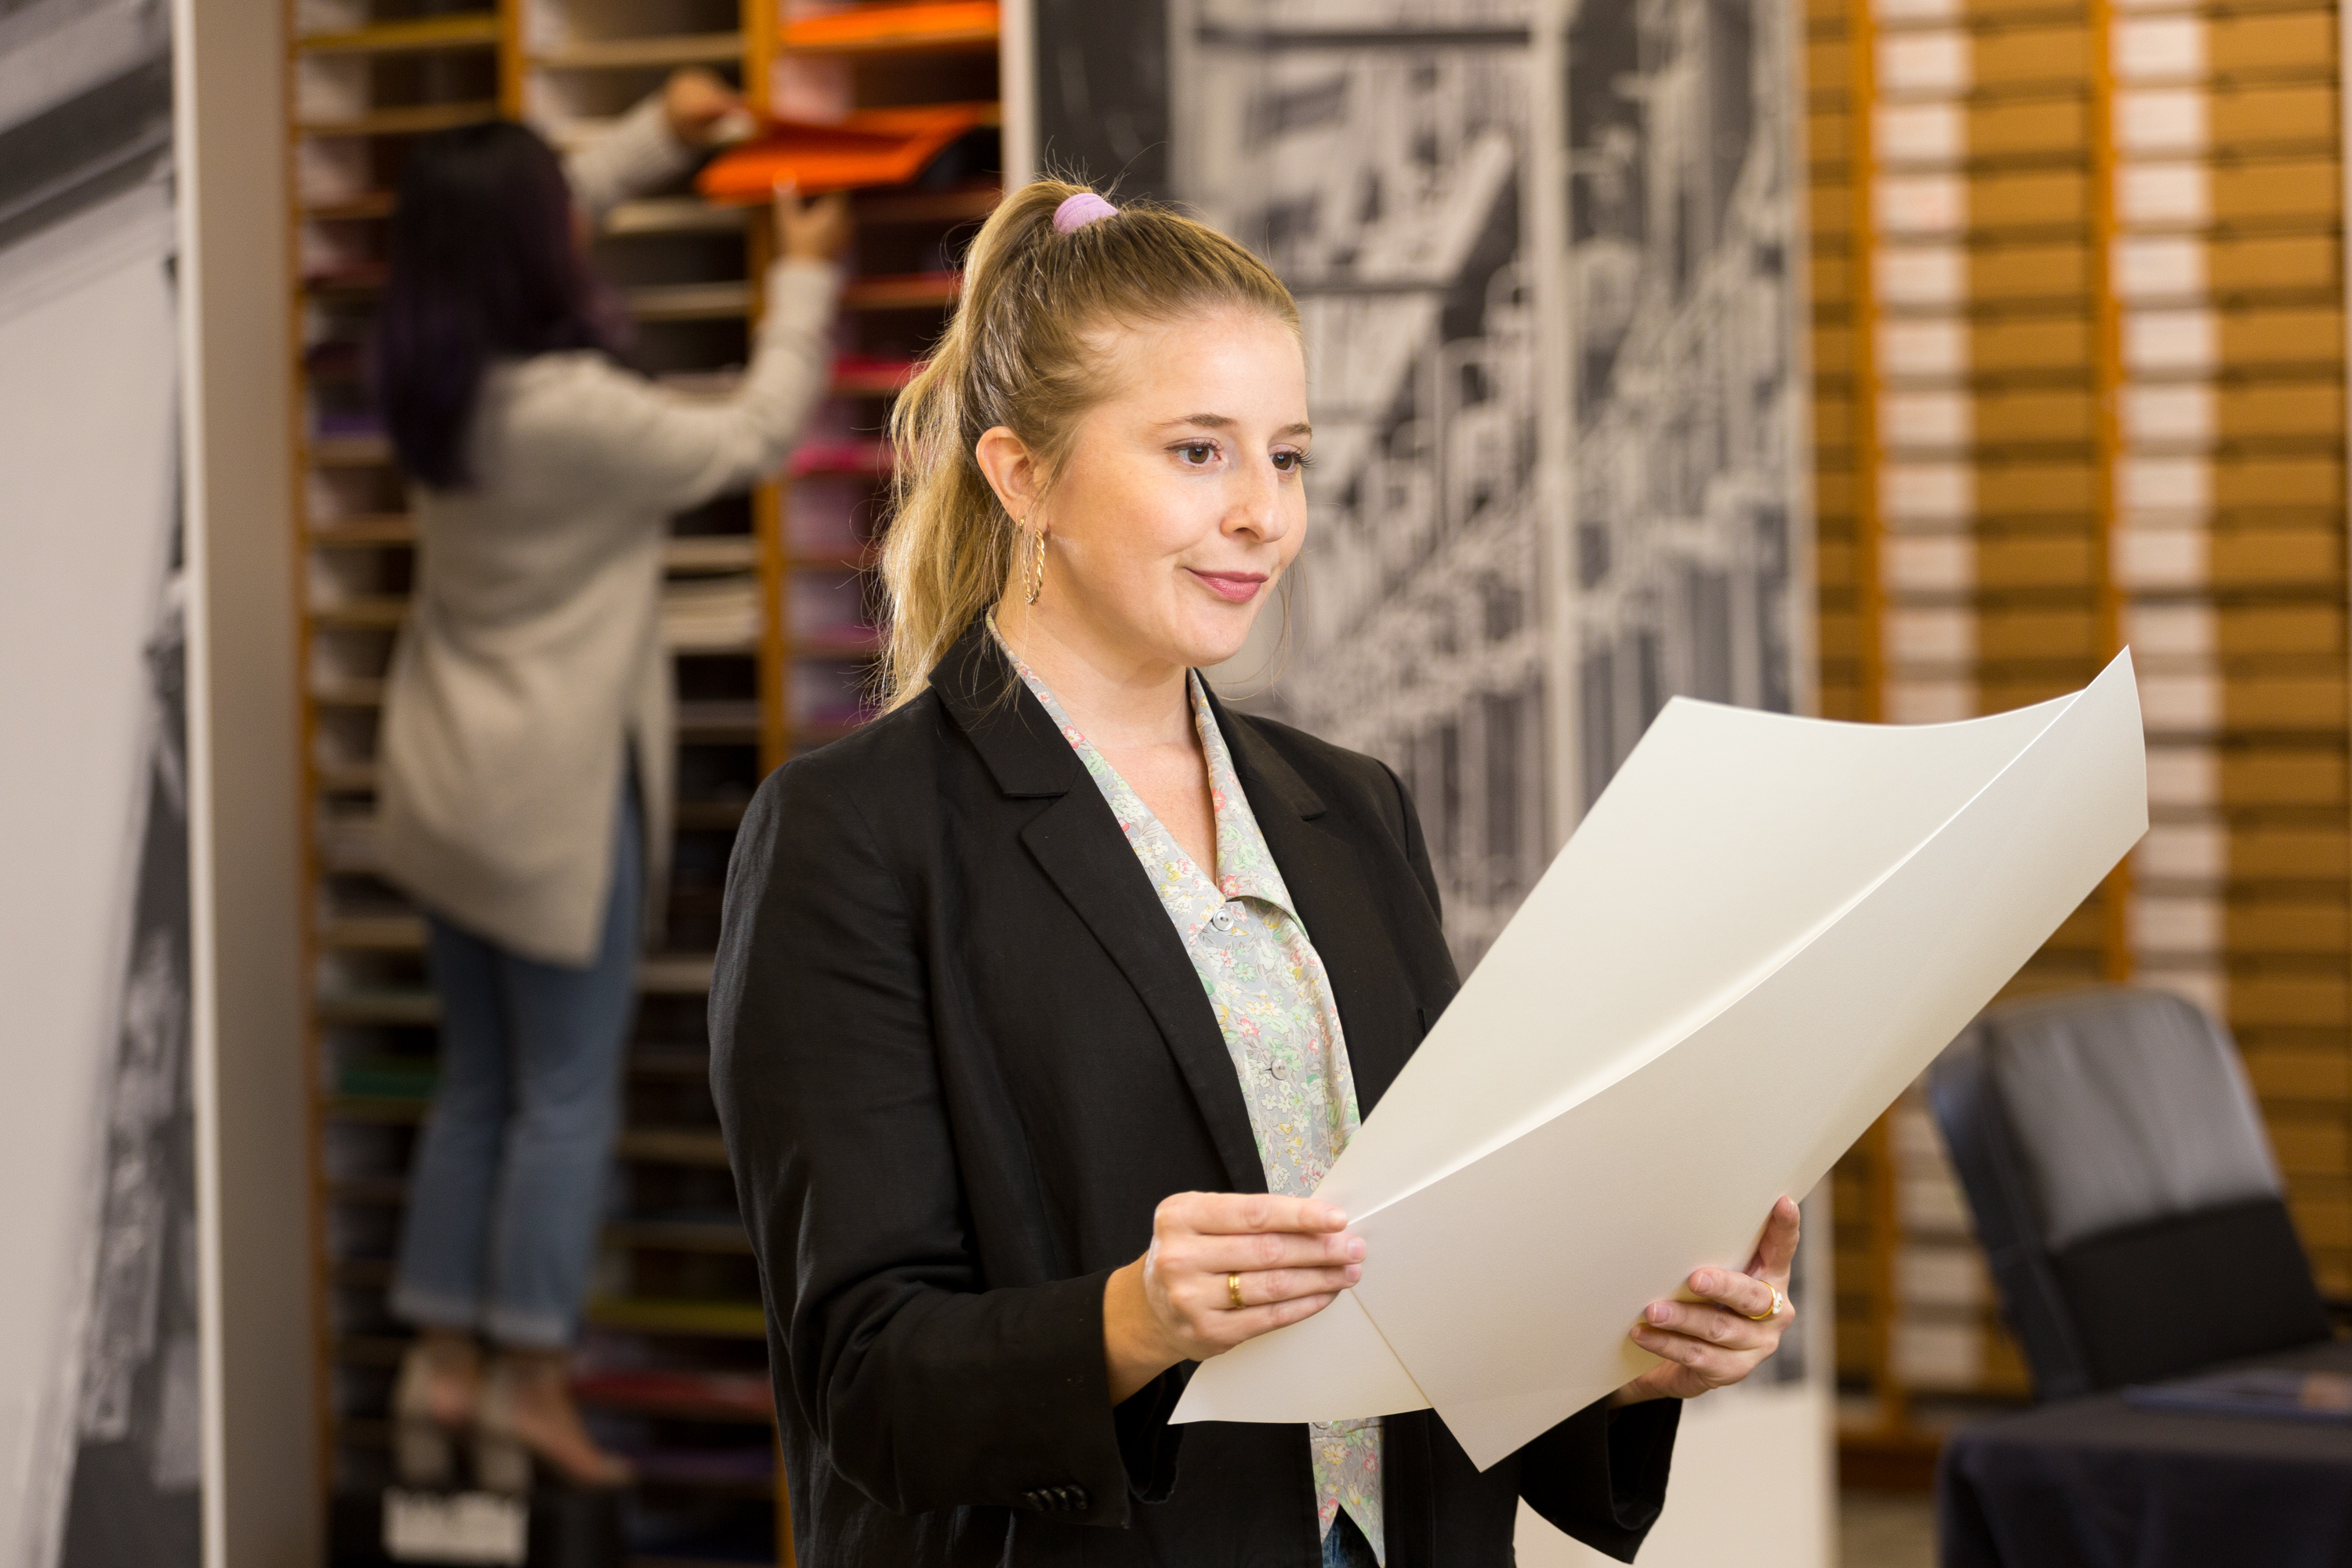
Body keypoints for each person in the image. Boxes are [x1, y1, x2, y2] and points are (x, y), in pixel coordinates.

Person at [708, 182, 1801, 1566]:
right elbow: (860, 1381)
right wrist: (1134, 1320)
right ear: (1021, 471)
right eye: (1196, 453)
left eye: (1287, 459)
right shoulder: (851, 839)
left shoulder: (1351, 809)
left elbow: (1441, 1278)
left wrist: (1625, 1361)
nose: (1262, 517)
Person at [373, 70, 852, 1490]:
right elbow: (751, 440)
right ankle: (529, 1374)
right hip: (554, 801)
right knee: (565, 1095)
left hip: (444, 787)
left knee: (477, 1086)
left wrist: (655, 128)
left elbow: (517, 218)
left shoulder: (424, 373)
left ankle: (437, 1369)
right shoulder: (569, 408)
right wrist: (807, 284)